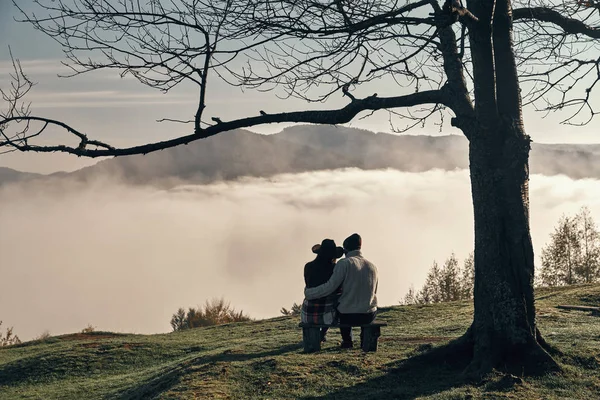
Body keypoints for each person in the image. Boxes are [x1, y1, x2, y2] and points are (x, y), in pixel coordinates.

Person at [304, 233, 378, 348]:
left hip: (348, 316)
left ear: (346, 248)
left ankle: (347, 340)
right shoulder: (372, 266)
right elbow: (374, 292)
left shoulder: (344, 264)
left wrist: (310, 293)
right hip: (369, 314)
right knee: (354, 305)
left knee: (342, 307)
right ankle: (364, 339)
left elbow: (330, 287)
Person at [301, 238, 344, 342]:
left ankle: (319, 335)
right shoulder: (334, 268)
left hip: (307, 312)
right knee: (338, 301)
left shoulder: (308, 266)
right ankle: (325, 333)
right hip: (327, 313)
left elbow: (309, 285)